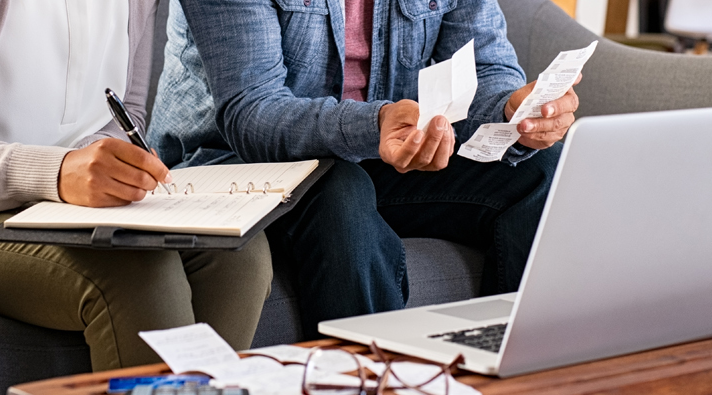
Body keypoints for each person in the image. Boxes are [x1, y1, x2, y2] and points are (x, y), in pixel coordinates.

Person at [0, 0, 273, 370]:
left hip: (48, 202)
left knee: (237, 257)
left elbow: (123, 115)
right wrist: (58, 173)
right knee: (137, 275)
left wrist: (113, 164)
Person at [149, 0, 580, 338]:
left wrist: (514, 112)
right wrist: (375, 125)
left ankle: (510, 371)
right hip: (233, 165)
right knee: (340, 189)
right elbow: (253, 112)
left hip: (380, 151)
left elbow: (484, 66)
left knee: (540, 169)